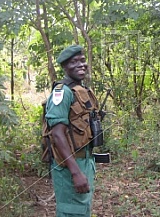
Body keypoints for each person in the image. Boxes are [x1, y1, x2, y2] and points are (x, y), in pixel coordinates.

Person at [45, 45, 101, 217]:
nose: (81, 65)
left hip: (84, 159)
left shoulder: (80, 90)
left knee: (82, 209)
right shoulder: (62, 92)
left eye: (82, 60)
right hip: (70, 164)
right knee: (71, 211)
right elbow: (57, 133)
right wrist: (76, 172)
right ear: (64, 67)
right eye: (73, 62)